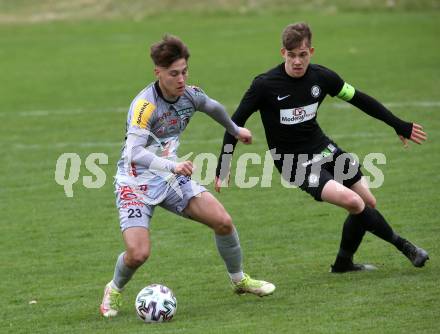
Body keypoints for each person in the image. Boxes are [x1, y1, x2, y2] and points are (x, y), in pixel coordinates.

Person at [215, 22, 429, 273]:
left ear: (311, 52)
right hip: (292, 162)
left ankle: (343, 264)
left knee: (367, 202)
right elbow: (234, 123)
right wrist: (225, 163)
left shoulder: (323, 77)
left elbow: (360, 100)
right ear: (283, 53)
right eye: (292, 55)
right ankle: (406, 247)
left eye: (303, 55)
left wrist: (398, 125)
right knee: (353, 200)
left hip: (323, 148)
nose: (297, 61)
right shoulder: (265, 85)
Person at [100, 35, 275, 318]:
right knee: (138, 254)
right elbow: (134, 152)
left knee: (223, 222)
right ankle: (114, 289)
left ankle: (239, 280)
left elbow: (213, 106)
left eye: (184, 71)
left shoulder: (189, 95)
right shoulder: (145, 106)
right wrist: (172, 166)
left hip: (170, 179)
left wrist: (234, 128)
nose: (181, 79)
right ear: (158, 72)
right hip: (135, 184)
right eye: (173, 74)